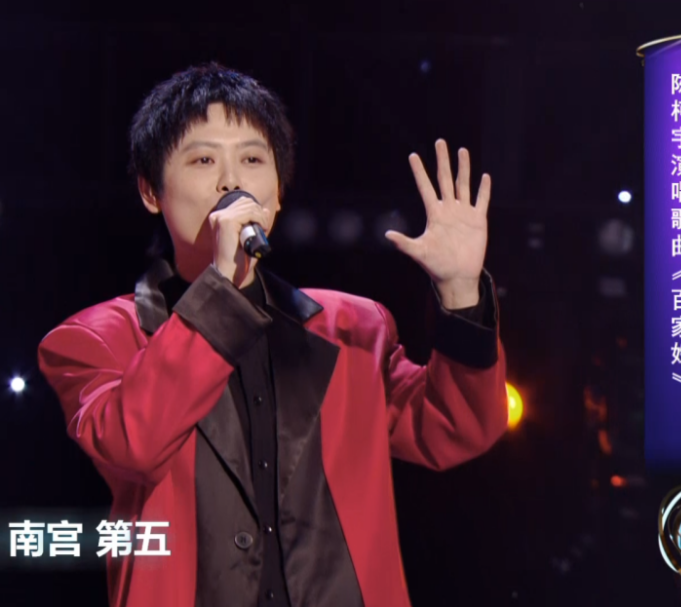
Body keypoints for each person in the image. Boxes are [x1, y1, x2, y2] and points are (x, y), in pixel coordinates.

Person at [38, 62, 508, 607]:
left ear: (278, 192)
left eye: (253, 159)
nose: (231, 182)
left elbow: (455, 428)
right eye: (203, 160)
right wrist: (220, 289)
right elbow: (133, 447)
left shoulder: (352, 328)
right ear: (151, 190)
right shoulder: (96, 338)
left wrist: (461, 293)